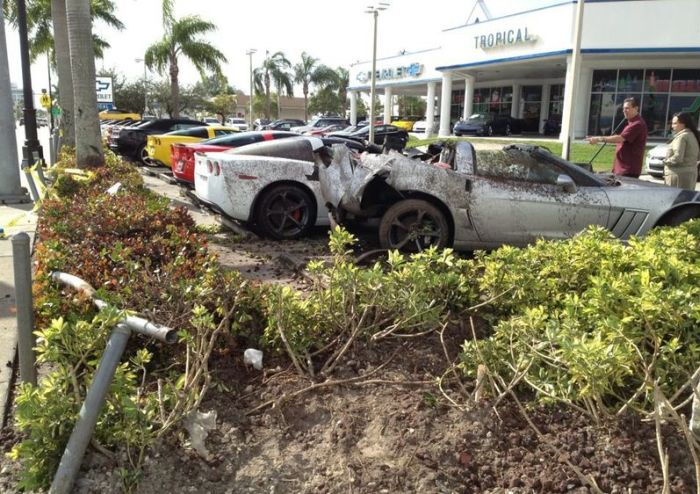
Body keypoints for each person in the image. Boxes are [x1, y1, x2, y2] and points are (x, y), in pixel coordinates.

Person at [587, 97, 648, 178]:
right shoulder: (631, 123)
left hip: (628, 170)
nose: (624, 111)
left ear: (636, 108)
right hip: (622, 169)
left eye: (627, 108)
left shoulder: (637, 124)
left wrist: (598, 139)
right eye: (623, 109)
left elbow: (620, 138)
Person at [663, 112, 700, 189]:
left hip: (678, 176)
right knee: (687, 199)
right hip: (690, 175)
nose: (672, 126)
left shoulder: (682, 137)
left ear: (683, 124)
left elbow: (678, 157)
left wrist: (665, 161)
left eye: (675, 123)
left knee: (675, 199)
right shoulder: (693, 135)